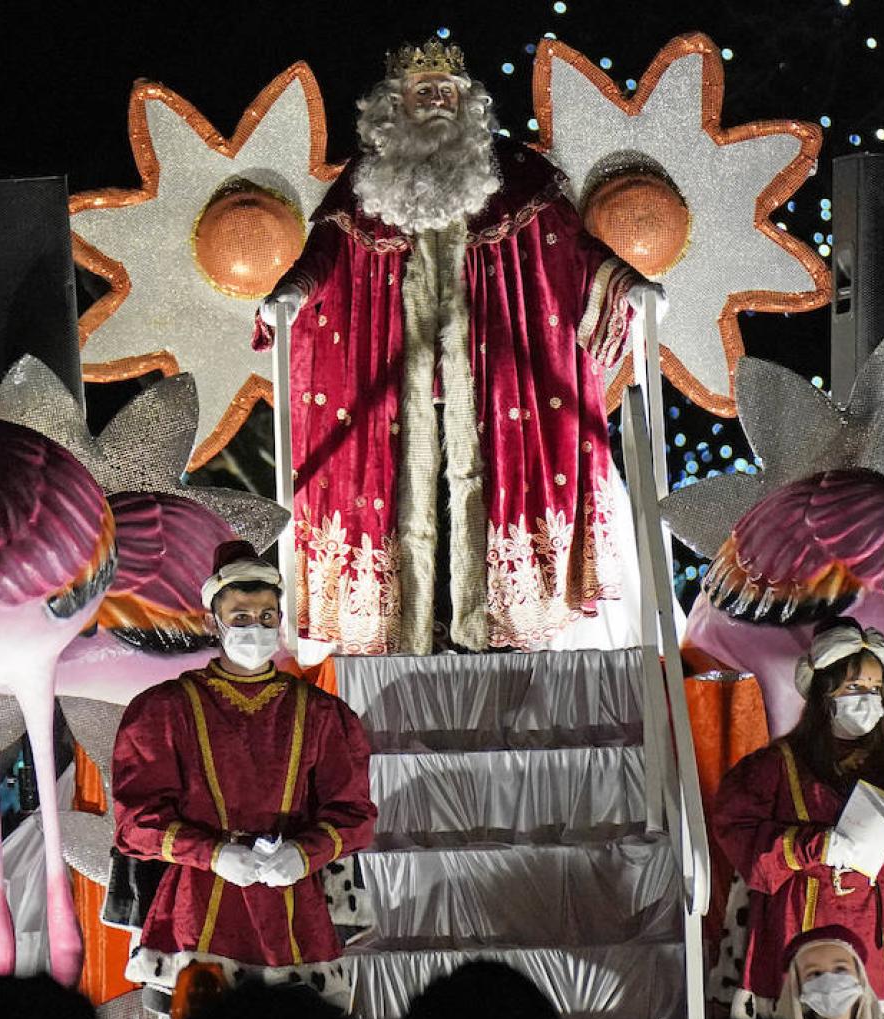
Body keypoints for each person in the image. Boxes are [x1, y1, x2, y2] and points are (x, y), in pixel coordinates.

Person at [255, 37, 655, 656]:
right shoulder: (364, 185)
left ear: (469, 104)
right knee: (410, 499)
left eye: (450, 92)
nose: (439, 101)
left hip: (501, 390)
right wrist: (288, 297)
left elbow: (573, 254)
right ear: (396, 105)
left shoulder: (516, 177)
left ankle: (495, 629)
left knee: (482, 493)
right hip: (387, 389)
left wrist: (627, 286)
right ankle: (408, 629)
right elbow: (324, 259)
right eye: (425, 92)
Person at [112, 540, 379, 1013]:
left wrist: (304, 853)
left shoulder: (321, 714)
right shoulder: (165, 711)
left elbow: (355, 815)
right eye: (240, 616)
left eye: (266, 616)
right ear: (213, 621)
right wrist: (213, 854)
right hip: (195, 913)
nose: (254, 628)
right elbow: (135, 823)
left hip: (295, 912)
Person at [710, 620, 884, 1016]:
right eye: (853, 688)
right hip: (795, 929)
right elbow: (740, 839)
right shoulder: (773, 769)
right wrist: (814, 847)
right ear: (823, 693)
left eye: (874, 689)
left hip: (877, 941)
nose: (867, 699)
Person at [774, 929, 884, 1019]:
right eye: (815, 974)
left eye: (840, 969)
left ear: (859, 975)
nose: (828, 980)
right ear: (797, 985)